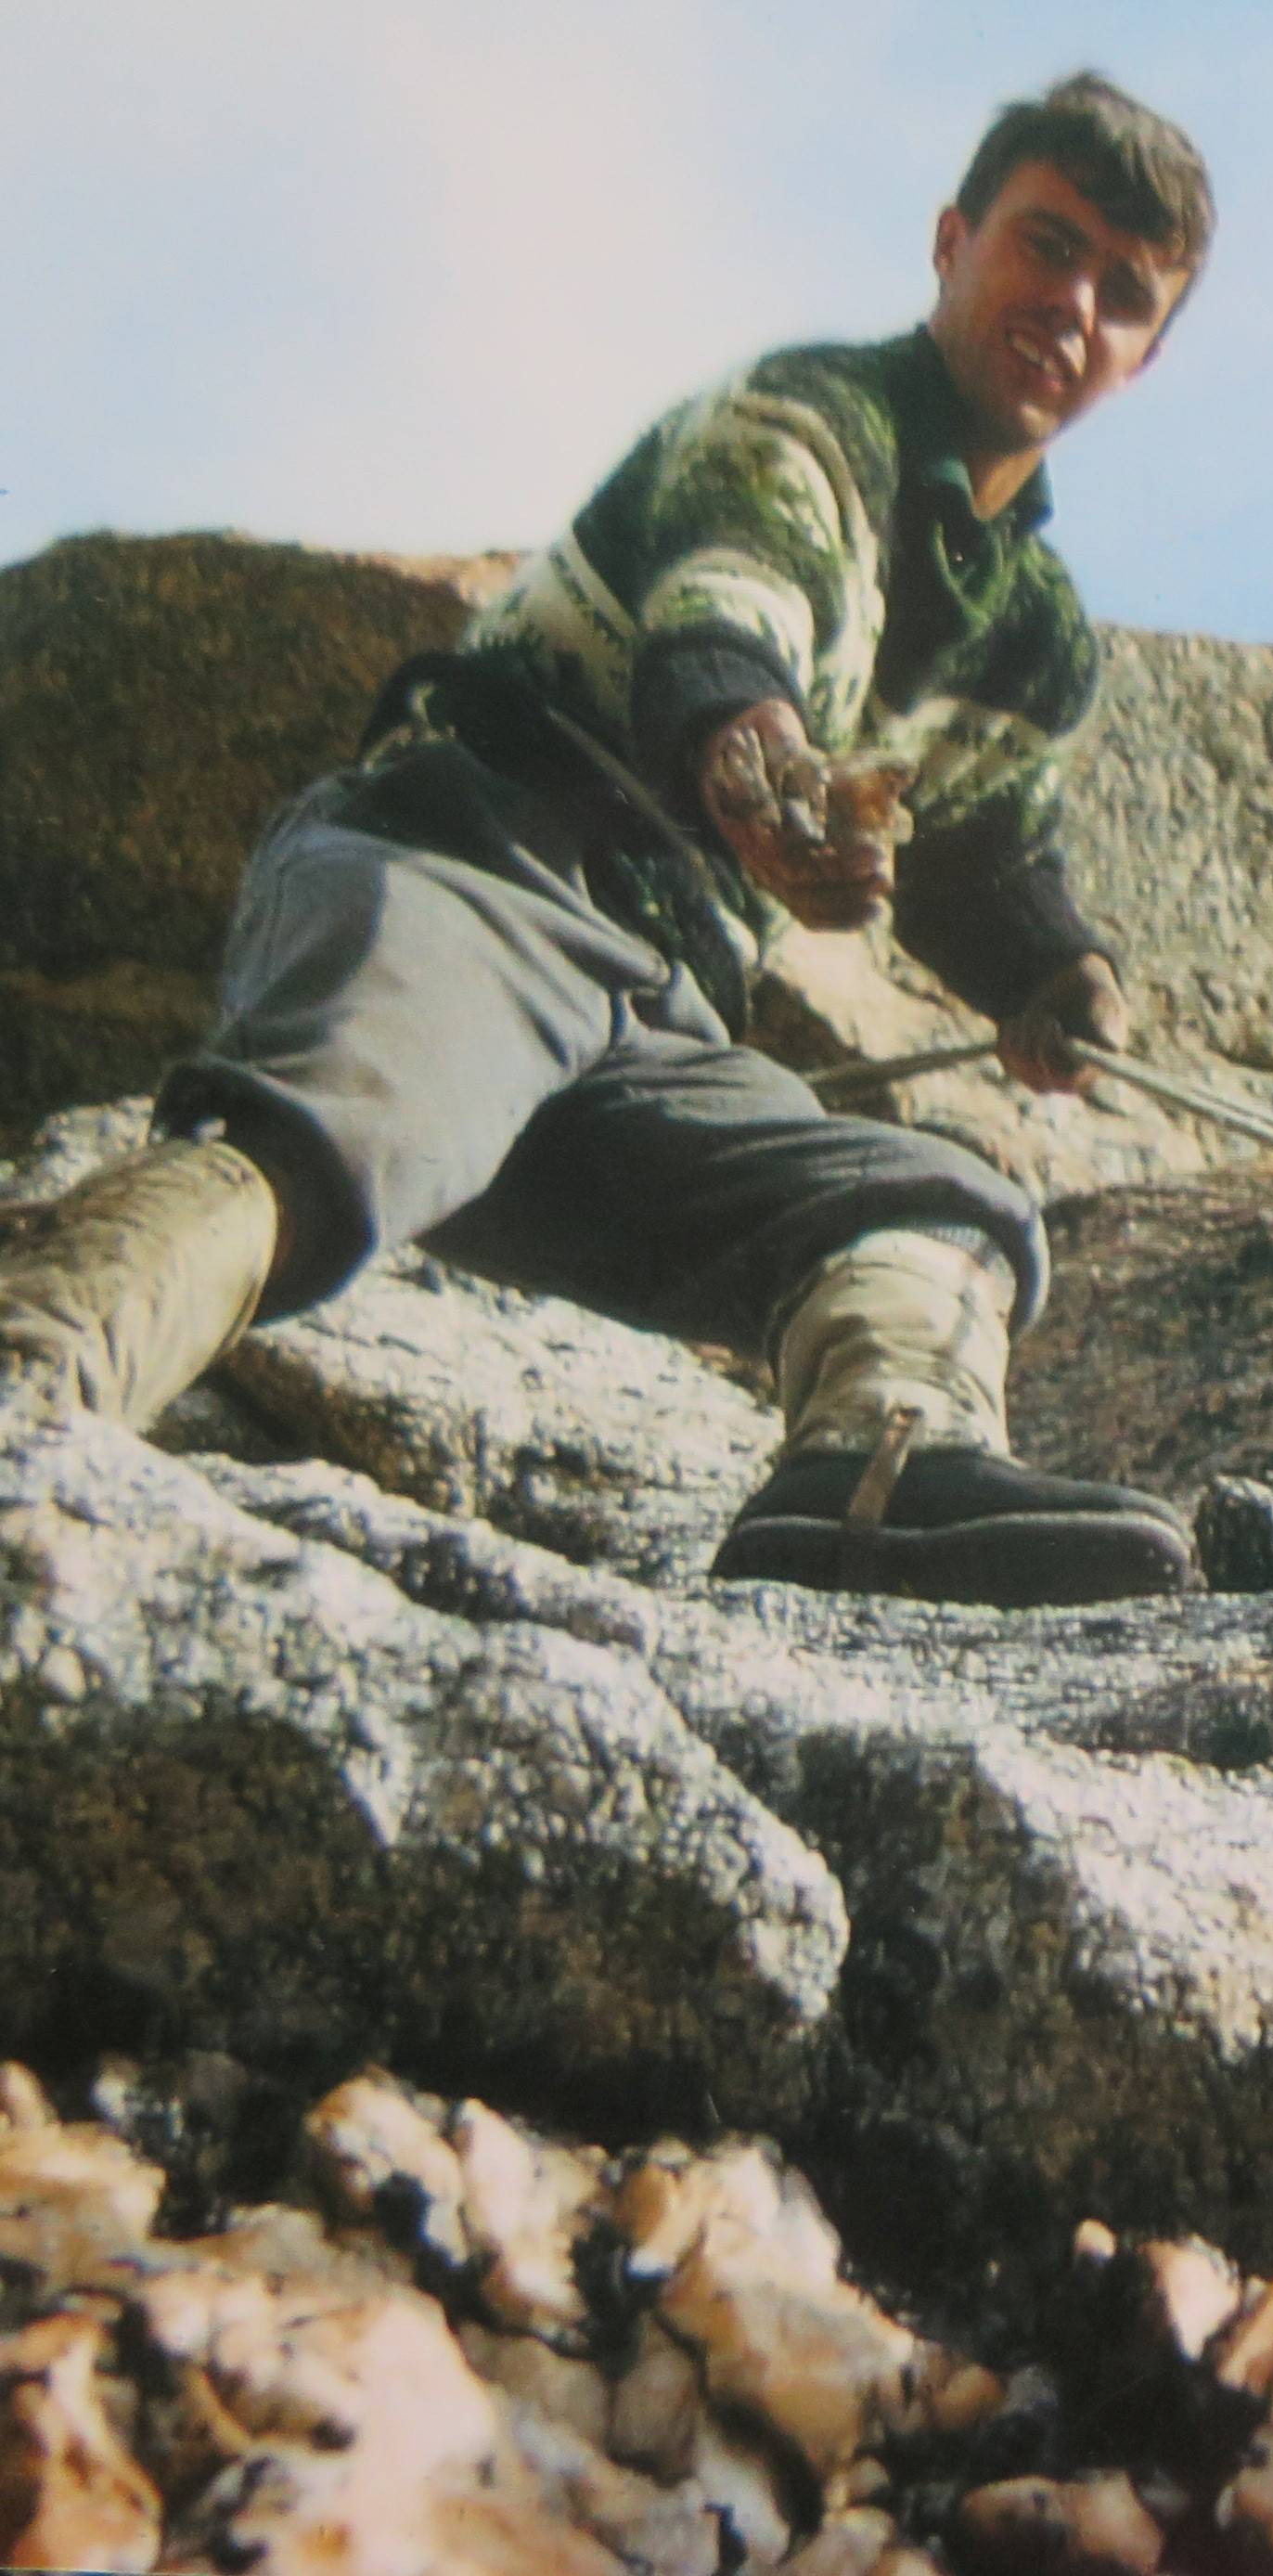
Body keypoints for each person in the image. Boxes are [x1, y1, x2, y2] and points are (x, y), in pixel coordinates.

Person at [0, 71, 1212, 1606]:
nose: (1073, 304)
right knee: (338, 1131)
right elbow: (730, 610)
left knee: (935, 1207)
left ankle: (873, 1480)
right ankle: (33, 1376)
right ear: (954, 239)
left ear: (1145, 356)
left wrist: (1060, 969)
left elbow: (986, 854)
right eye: (1046, 246)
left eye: (1123, 293)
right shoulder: (808, 417)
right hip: (476, 862)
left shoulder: (1032, 637)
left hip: (652, 1008)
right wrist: (751, 751)